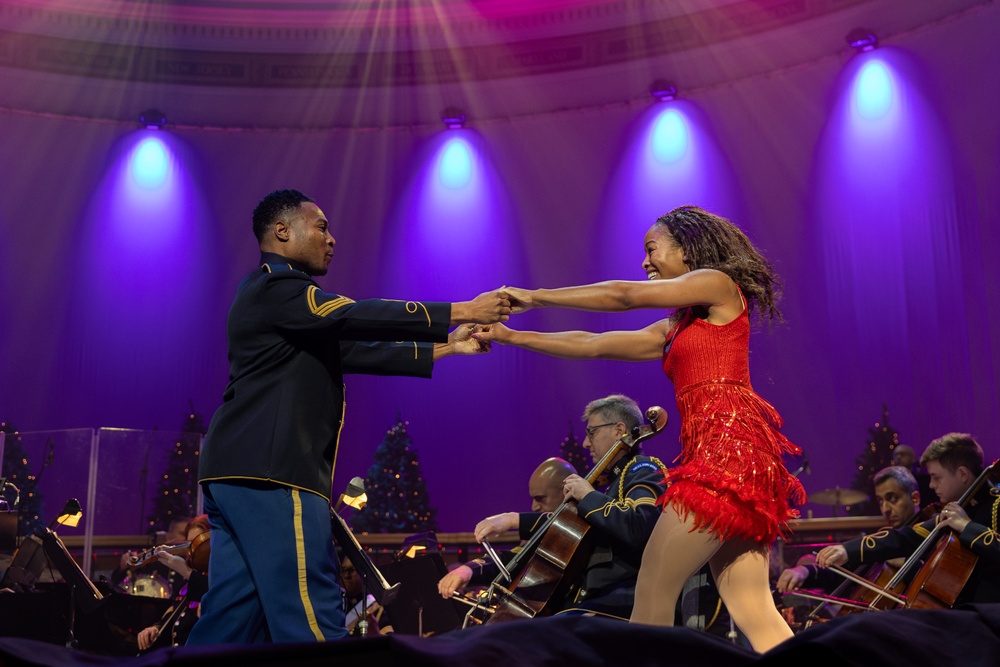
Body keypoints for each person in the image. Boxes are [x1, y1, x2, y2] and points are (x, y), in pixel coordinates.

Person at [186, 189, 511, 645]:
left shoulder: (269, 300)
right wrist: (462, 309)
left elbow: (354, 350)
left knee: (232, 618)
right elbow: (356, 316)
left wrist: (453, 344)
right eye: (320, 226)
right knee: (310, 607)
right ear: (282, 231)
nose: (332, 238)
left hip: (233, 472)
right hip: (274, 471)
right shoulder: (280, 288)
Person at [474, 206, 804, 652]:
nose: (646, 262)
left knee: (653, 589)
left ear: (687, 249)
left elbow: (622, 296)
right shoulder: (678, 326)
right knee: (753, 609)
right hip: (733, 464)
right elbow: (594, 345)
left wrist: (536, 297)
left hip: (725, 460)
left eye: (652, 249)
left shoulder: (718, 284)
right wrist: (515, 337)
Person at [457, 394, 669, 620]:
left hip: (619, 601)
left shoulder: (643, 468)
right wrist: (512, 520)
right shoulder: (613, 483)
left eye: (592, 432)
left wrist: (587, 495)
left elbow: (637, 525)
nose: (586, 442)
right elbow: (568, 523)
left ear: (619, 430)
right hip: (593, 602)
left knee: (542, 633)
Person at [816, 433, 1000, 604]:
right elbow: (905, 537)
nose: (931, 484)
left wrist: (967, 527)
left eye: (936, 477)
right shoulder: (956, 511)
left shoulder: (995, 505)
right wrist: (847, 550)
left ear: (962, 474)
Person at [436, 457, 577, 599]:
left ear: (565, 490)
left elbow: (566, 522)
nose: (533, 507)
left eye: (540, 498)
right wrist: (468, 570)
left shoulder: (583, 522)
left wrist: (512, 519)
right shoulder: (540, 533)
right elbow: (513, 559)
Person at [776, 466, 922, 595]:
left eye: (892, 498)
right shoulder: (882, 540)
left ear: (915, 498)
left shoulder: (931, 536)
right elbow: (841, 573)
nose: (885, 509)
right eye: (881, 501)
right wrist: (804, 571)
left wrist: (906, 562)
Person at [136, 514, 211, 651]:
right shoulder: (186, 585)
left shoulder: (214, 584)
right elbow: (171, 616)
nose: (191, 551)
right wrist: (155, 628)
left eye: (197, 544)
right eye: (189, 544)